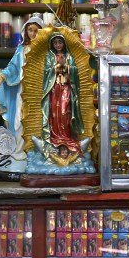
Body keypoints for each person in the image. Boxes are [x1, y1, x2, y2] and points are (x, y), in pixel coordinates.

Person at [0, 17, 44, 160]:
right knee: (19, 119)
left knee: (39, 119)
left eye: (36, 30)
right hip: (24, 89)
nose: (33, 33)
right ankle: (19, 150)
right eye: (30, 30)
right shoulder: (22, 49)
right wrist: (2, 76)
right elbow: (13, 67)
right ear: (26, 31)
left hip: (40, 90)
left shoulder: (45, 51)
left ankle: (38, 152)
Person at [39, 32, 84, 161]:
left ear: (64, 44)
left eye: (60, 42)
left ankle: (66, 137)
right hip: (54, 89)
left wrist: (67, 66)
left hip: (66, 88)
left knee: (65, 112)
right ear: (52, 44)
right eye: (55, 43)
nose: (58, 45)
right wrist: (57, 66)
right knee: (55, 113)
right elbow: (47, 72)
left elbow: (75, 71)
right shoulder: (50, 56)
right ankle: (54, 137)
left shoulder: (69, 56)